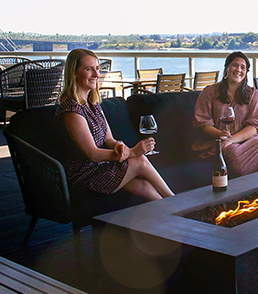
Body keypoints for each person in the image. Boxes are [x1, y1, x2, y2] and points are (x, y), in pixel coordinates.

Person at [57, 48, 173, 201]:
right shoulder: (71, 111)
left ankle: (174, 217)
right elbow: (92, 154)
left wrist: (119, 146)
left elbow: (108, 140)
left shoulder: (93, 103)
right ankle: (177, 203)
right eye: (88, 69)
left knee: (144, 187)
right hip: (84, 176)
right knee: (139, 161)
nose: (96, 75)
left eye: (97, 69)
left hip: (101, 167)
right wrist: (132, 153)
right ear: (74, 72)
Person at [193, 51, 258, 177]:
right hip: (218, 141)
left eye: (242, 67)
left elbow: (254, 126)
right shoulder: (210, 92)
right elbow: (202, 123)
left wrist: (232, 139)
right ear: (227, 67)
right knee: (232, 151)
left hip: (247, 140)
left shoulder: (252, 94)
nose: (238, 69)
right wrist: (221, 134)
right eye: (235, 65)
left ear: (246, 72)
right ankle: (248, 190)